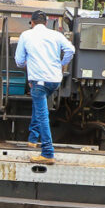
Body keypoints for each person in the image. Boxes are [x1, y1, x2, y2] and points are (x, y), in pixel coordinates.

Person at [15, 10, 75, 164]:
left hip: (39, 81)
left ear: (32, 22)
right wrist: (61, 64)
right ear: (46, 23)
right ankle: (33, 138)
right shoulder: (56, 35)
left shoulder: (26, 35)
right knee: (39, 105)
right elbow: (70, 50)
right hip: (54, 81)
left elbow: (19, 62)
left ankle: (48, 152)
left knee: (42, 115)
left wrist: (29, 62)